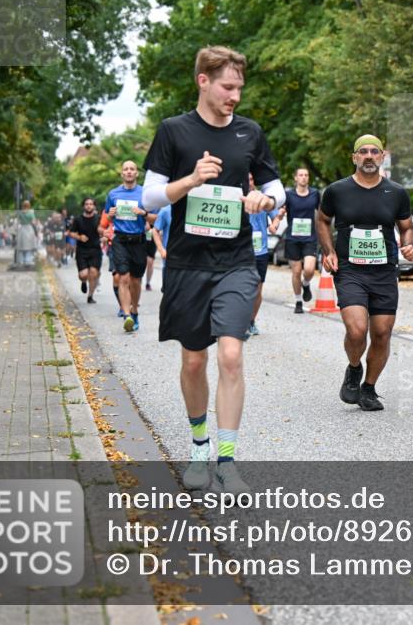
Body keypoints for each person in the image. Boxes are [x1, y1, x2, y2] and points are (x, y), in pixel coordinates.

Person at [141, 46, 286, 493]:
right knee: (192, 361)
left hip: (236, 261)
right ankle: (199, 446)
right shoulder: (173, 132)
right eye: (228, 86)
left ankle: (226, 459)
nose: (235, 96)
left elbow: (276, 187)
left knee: (230, 354)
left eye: (240, 87)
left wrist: (267, 199)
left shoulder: (250, 133)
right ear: (203, 81)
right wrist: (191, 180)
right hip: (187, 264)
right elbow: (148, 199)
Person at [316, 135, 413, 412]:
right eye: (363, 152)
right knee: (357, 330)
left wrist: (408, 244)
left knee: (382, 333)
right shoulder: (337, 191)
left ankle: (369, 388)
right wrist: (328, 251)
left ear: (382, 156)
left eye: (374, 151)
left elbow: (406, 226)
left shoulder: (396, 192)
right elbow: (323, 221)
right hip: (350, 270)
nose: (369, 156)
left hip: (384, 271)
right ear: (355, 157)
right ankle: (354, 367)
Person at [105, 160, 149, 332]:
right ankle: (127, 316)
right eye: (126, 169)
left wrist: (143, 213)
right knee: (123, 277)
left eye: (132, 169)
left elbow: (154, 218)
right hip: (120, 240)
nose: (129, 172)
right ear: (122, 174)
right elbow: (108, 218)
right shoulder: (113, 194)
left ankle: (135, 311)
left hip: (138, 240)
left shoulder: (145, 193)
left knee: (136, 280)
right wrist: (110, 215)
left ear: (137, 173)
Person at [273, 167, 320, 313]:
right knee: (296, 271)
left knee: (309, 269)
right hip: (292, 238)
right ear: (296, 178)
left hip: (310, 238)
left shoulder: (315, 194)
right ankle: (299, 301)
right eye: (301, 175)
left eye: (306, 175)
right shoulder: (289, 195)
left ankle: (306, 284)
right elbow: (280, 212)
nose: (304, 177)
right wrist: (277, 220)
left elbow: (323, 213)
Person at [246, 174, 280, 337]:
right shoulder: (235, 197)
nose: (249, 182)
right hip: (241, 251)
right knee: (242, 286)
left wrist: (274, 225)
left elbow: (275, 219)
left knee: (257, 288)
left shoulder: (264, 199)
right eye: (246, 179)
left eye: (252, 179)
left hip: (260, 250)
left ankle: (251, 321)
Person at [68, 198, 102, 304]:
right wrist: (79, 237)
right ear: (83, 206)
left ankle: (90, 296)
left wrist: (104, 236)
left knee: (93, 273)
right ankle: (83, 281)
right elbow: (70, 233)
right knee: (83, 275)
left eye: (91, 204)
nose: (89, 206)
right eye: (86, 204)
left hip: (95, 249)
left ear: (94, 206)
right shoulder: (78, 219)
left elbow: (105, 230)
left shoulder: (98, 218)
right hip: (82, 250)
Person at [98, 209, 123, 316]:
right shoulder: (109, 209)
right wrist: (104, 233)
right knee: (117, 277)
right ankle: (123, 306)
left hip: (133, 245)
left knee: (131, 278)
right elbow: (101, 227)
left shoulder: (136, 202)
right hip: (114, 245)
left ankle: (132, 303)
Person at [151, 203, 172, 292]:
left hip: (188, 258)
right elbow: (155, 230)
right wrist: (161, 250)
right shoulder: (166, 210)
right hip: (169, 257)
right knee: (168, 292)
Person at [143, 210, 158, 292]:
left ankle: (148, 282)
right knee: (141, 261)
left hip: (152, 234)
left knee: (150, 261)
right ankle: (137, 279)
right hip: (141, 235)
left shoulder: (158, 207)